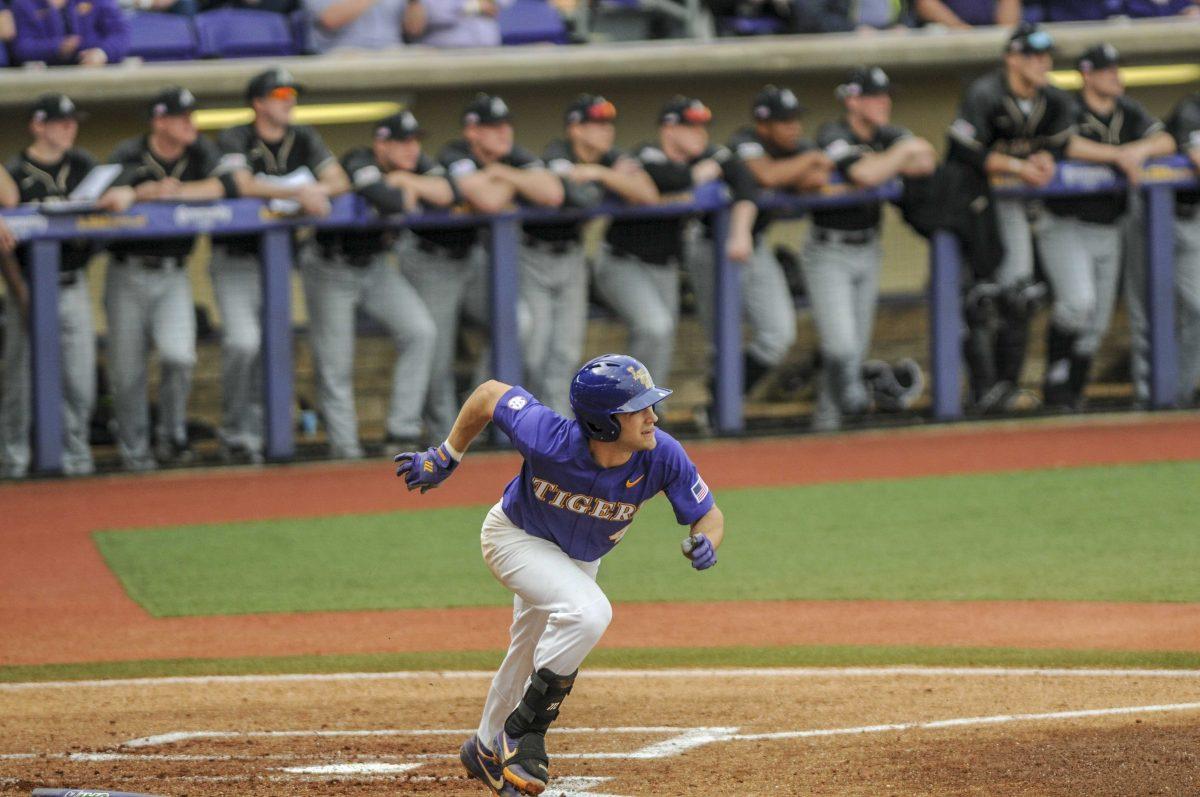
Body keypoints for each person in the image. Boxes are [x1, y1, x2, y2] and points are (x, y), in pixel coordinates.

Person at [394, 353, 723, 797]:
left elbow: (708, 515)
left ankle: (485, 746)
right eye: (638, 409)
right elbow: (490, 394)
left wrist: (706, 540)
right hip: (515, 538)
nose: (653, 417)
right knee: (588, 613)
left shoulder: (661, 454)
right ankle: (524, 730)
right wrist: (446, 455)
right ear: (604, 423)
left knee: (529, 647)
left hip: (579, 557)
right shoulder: (548, 438)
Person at [97, 87, 241, 470]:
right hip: (127, 271)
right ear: (159, 121)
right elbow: (115, 190)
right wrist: (142, 191)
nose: (190, 124)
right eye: (181, 117)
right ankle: (134, 450)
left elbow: (228, 185)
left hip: (174, 274)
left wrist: (175, 193)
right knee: (127, 371)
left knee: (180, 356)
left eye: (191, 117)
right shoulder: (130, 151)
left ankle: (171, 438)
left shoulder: (200, 152)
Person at [211, 67, 350, 464]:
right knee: (243, 342)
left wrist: (314, 191)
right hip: (236, 259)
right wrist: (296, 191)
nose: (289, 100)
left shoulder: (302, 135)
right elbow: (240, 183)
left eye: (292, 93)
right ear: (258, 103)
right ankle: (237, 432)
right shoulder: (235, 135)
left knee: (274, 346)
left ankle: (261, 436)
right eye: (280, 94)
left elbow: (338, 179)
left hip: (279, 264)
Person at [410, 93, 563, 439]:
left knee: (517, 321)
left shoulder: (511, 157)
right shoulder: (454, 155)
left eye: (505, 124)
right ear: (472, 131)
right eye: (493, 127)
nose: (503, 133)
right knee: (436, 351)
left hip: (472, 259)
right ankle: (443, 436)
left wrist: (498, 171)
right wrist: (510, 183)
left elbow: (552, 193)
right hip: (431, 259)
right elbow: (490, 201)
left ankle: (478, 409)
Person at [946, 22, 1077, 412]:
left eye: (1044, 55)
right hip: (970, 210)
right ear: (1010, 58)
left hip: (1016, 207)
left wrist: (1045, 160)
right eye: (1031, 55)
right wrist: (1019, 167)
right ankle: (981, 389)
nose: (1041, 62)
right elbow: (964, 151)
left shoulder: (1052, 100)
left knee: (1018, 296)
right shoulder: (984, 94)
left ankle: (1006, 386)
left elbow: (1060, 143)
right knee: (976, 300)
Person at [1038, 44, 1174, 410]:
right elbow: (1065, 144)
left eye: (1117, 68)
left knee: (1096, 323)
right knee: (1077, 305)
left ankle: (1071, 394)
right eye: (1107, 69)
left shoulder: (1127, 110)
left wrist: (1138, 152)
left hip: (1108, 227)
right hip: (1066, 223)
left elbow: (1165, 139)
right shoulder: (1068, 107)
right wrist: (1119, 155)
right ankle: (1055, 379)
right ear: (1087, 74)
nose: (1116, 75)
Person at [304, 110, 445, 458]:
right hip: (331, 266)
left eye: (414, 141)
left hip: (378, 266)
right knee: (336, 360)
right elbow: (388, 200)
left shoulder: (415, 165)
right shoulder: (359, 159)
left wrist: (408, 181)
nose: (412, 149)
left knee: (420, 331)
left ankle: (402, 431)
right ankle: (345, 447)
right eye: (402, 142)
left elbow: (446, 191)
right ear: (381, 143)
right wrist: (404, 188)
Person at [803, 67, 937, 430]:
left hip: (869, 248)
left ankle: (829, 423)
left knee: (855, 349)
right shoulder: (833, 132)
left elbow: (925, 159)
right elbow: (864, 174)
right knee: (841, 348)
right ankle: (850, 404)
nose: (884, 103)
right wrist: (899, 155)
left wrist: (891, 157)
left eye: (885, 95)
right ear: (853, 100)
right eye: (875, 96)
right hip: (829, 250)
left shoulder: (888, 135)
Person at [600, 96, 758, 397]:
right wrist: (699, 176)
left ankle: (646, 411)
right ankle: (630, 407)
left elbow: (745, 181)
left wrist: (741, 231)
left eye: (702, 126)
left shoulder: (709, 154)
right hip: (623, 262)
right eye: (690, 126)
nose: (700, 133)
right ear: (669, 130)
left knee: (662, 337)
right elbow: (664, 178)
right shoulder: (647, 152)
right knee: (655, 327)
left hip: (665, 266)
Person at [0, 94, 117, 478]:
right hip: (28, 284)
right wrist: (19, 291)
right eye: (61, 122)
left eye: (73, 122)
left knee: (79, 378)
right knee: (20, 379)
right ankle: (13, 460)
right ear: (38, 125)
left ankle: (76, 455)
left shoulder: (83, 164)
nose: (70, 128)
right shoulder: (17, 171)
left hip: (72, 283)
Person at [525, 94, 658, 415]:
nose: (606, 131)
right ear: (576, 129)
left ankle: (556, 423)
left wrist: (600, 173)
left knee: (567, 351)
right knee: (533, 349)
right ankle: (521, 419)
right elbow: (577, 197)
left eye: (607, 123)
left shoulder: (606, 159)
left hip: (571, 255)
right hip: (529, 255)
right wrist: (612, 176)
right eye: (596, 124)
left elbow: (648, 195)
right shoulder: (557, 153)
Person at [727, 84, 832, 396]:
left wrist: (794, 168)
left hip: (754, 243)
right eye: (785, 122)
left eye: (796, 120)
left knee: (778, 334)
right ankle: (713, 408)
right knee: (719, 337)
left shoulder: (796, 148)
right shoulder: (744, 140)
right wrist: (808, 160)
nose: (794, 128)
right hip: (711, 243)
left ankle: (726, 401)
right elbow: (766, 175)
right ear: (763, 125)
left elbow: (818, 178)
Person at [1162, 88, 1200, 405]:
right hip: (1168, 219)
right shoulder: (1191, 109)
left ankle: (1183, 391)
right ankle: (1173, 394)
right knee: (1161, 307)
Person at [10, 0, 129, 65]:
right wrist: (57, 47)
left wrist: (102, 53)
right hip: (47, 75)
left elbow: (120, 35)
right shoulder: (23, 4)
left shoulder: (100, 2)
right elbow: (22, 48)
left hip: (95, 72)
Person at [302, 0, 423, 52]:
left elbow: (414, 29)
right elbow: (330, 20)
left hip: (392, 51)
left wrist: (414, 2)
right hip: (342, 52)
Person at [412, 0, 511, 47]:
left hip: (488, 51)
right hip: (444, 53)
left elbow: (497, 5)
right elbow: (433, 13)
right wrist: (474, 5)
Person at [913, 0, 1020, 27]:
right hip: (947, 35)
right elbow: (925, 4)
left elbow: (1008, 26)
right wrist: (960, 28)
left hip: (989, 34)